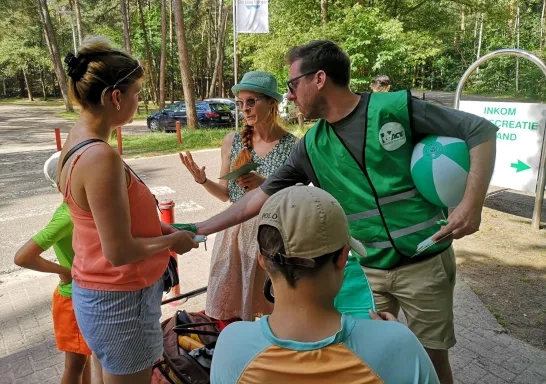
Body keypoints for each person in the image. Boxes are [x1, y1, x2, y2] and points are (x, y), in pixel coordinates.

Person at [193, 40, 499, 384]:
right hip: (367, 270)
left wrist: (472, 205)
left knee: (431, 357)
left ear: (319, 78)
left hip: (425, 261)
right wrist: (198, 229)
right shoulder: (311, 145)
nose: (290, 95)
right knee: (368, 356)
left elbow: (480, 131)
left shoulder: (395, 108)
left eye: (294, 85)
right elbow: (256, 198)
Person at [57, 35, 198, 384]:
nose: (139, 102)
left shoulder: (74, 144)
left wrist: (161, 230)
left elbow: (98, 225)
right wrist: (173, 242)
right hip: (121, 302)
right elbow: (119, 251)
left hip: (98, 294)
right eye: (137, 94)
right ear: (115, 97)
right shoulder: (100, 157)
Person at [211, 185, 440, 384]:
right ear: (343, 257)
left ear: (262, 260)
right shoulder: (398, 346)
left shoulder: (232, 346)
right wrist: (388, 335)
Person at [180, 71, 298, 321]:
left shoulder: (293, 145)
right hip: (235, 231)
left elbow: (296, 199)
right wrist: (202, 181)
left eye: (252, 101)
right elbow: (225, 195)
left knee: (275, 307)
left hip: (274, 232)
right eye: (240, 103)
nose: (244, 109)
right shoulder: (232, 141)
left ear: (272, 103)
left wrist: (264, 184)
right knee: (232, 309)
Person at [14, 151, 93, 384]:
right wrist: (65, 271)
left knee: (84, 361)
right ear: (63, 184)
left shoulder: (82, 208)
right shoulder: (67, 215)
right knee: (75, 366)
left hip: (83, 295)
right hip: (72, 300)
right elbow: (23, 257)